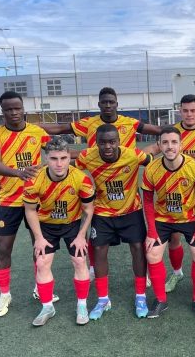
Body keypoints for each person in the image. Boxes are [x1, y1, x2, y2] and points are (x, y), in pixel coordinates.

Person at [40, 87, 162, 283]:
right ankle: (93, 268)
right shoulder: (89, 123)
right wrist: (32, 128)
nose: (107, 105)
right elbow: (61, 129)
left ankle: (142, 275)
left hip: (127, 181)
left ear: (116, 104)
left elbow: (155, 131)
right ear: (98, 104)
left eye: (111, 102)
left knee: (137, 242)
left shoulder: (129, 123)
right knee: (96, 235)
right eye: (104, 102)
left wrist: (176, 131)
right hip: (100, 179)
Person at [0, 91, 57, 317]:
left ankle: (39, 287)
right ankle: (5, 294)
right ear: (2, 111)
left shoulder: (37, 132)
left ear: (23, 108)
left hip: (35, 200)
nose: (14, 112)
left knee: (39, 246)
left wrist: (89, 155)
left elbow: (56, 152)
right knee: (4, 248)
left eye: (17, 108)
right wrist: (19, 172)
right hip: (8, 201)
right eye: (8, 109)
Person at [146, 94, 195, 295]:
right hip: (172, 196)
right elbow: (154, 149)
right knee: (174, 239)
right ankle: (177, 272)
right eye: (185, 110)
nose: (189, 114)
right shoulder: (172, 132)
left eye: (193, 110)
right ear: (179, 111)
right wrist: (132, 159)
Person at [75, 125, 152, 319]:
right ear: (96, 143)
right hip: (102, 212)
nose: (107, 146)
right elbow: (70, 170)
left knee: (138, 248)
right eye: (102, 142)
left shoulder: (133, 155)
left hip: (131, 211)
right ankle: (103, 299)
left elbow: (153, 163)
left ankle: (141, 296)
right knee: (99, 250)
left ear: (118, 141)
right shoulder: (87, 156)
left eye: (111, 141)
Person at [24, 136, 95, 326]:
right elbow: (30, 210)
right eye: (54, 159)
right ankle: (47, 307)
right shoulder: (34, 179)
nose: (59, 164)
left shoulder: (81, 179)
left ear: (69, 157)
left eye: (63, 158)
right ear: (46, 158)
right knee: (42, 262)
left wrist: (81, 236)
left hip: (73, 224)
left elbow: (88, 209)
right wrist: (38, 238)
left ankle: (82, 306)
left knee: (79, 260)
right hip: (46, 224)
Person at [142, 126, 195, 318]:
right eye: (165, 142)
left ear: (181, 145)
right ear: (159, 145)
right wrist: (151, 232)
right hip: (163, 218)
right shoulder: (151, 169)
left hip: (190, 218)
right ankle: (160, 300)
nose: (169, 146)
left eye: (174, 142)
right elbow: (148, 201)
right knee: (152, 254)